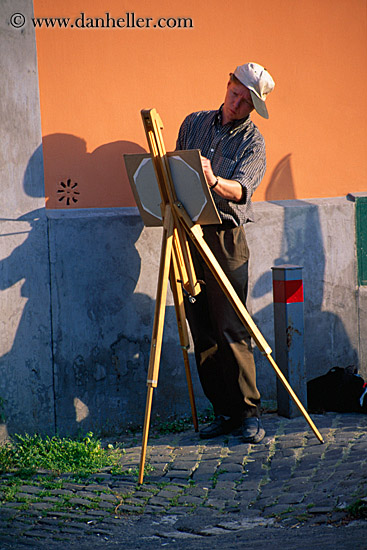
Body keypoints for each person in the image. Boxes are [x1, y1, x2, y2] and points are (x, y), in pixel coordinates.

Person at [176, 62, 275, 443]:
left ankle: (250, 413)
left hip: (226, 238)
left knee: (232, 326)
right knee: (201, 327)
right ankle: (224, 411)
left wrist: (214, 180)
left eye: (247, 101)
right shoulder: (194, 123)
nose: (238, 103)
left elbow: (244, 190)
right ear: (228, 83)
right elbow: (176, 167)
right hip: (189, 232)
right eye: (236, 93)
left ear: (253, 106)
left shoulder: (254, 141)